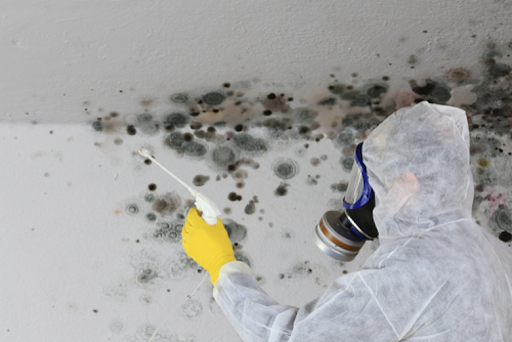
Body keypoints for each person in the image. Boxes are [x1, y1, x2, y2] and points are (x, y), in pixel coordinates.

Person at [181, 101, 512, 341]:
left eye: (375, 179)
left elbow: (294, 339)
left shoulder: (409, 270)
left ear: (408, 183)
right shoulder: (498, 256)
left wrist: (223, 267)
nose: (366, 194)